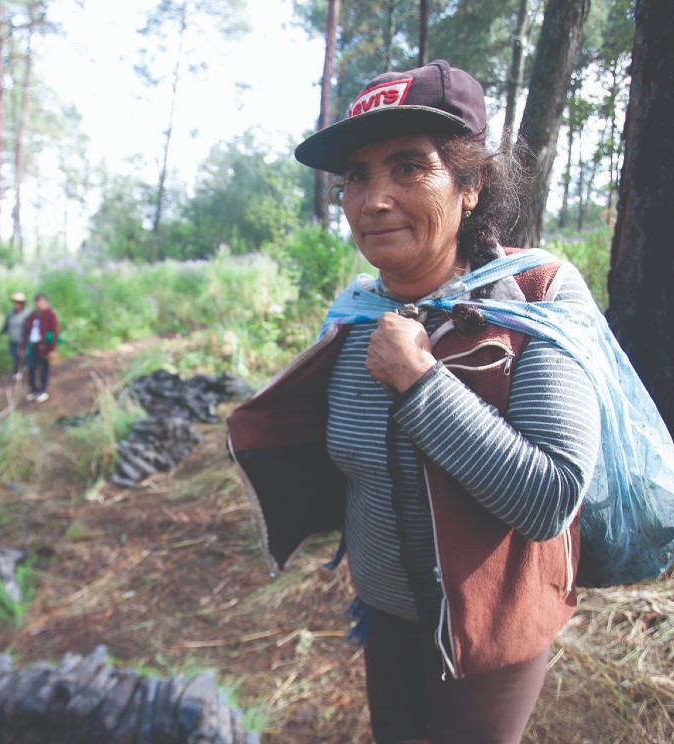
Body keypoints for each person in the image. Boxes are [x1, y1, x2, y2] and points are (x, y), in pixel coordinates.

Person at [226, 60, 602, 744]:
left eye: (408, 168)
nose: (373, 200)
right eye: (356, 177)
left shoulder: (535, 296)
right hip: (384, 616)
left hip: (491, 631)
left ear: (470, 184)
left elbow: (549, 499)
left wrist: (421, 382)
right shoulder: (356, 312)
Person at [20, 292, 59, 402]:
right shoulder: (33, 315)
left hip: (44, 347)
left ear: (46, 302)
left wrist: (51, 349)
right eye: (38, 301)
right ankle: (33, 390)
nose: (40, 303)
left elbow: (53, 333)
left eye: (42, 301)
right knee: (30, 368)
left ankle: (42, 391)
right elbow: (26, 331)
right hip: (32, 346)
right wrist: (23, 346)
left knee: (43, 369)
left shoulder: (50, 315)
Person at [0, 292, 32, 379]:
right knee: (14, 354)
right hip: (12, 339)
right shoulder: (11, 313)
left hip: (22, 340)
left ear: (22, 303)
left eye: (18, 302)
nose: (16, 304)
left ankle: (17, 372)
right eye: (14, 302)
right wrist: (0, 333)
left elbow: (30, 327)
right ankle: (24, 366)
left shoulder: (27, 314)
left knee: (18, 355)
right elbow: (6, 325)